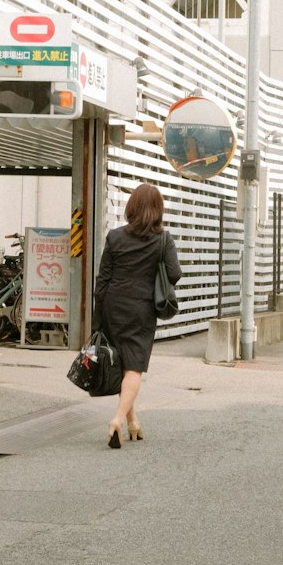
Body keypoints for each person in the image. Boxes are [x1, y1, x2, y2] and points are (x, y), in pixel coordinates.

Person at [92, 182, 182, 448]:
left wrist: (98, 318)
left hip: (113, 305)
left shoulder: (115, 237)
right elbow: (174, 273)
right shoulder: (163, 239)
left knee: (120, 362)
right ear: (157, 210)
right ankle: (118, 419)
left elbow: (103, 279)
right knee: (134, 366)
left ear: (132, 207)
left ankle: (133, 423)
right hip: (141, 308)